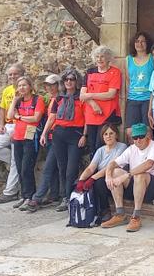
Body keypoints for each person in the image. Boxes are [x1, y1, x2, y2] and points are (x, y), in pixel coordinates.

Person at [102, 122, 154, 231]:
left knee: (139, 174)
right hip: (137, 186)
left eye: (141, 137)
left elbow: (148, 164)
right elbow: (113, 163)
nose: (138, 140)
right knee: (116, 172)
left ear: (147, 136)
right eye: (135, 138)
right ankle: (120, 214)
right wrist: (108, 176)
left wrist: (126, 176)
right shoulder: (132, 148)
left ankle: (136, 216)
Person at [41, 69, 87, 212]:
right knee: (61, 167)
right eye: (66, 79)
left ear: (76, 81)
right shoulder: (59, 98)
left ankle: (69, 196)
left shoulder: (81, 98)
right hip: (59, 133)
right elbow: (52, 117)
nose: (69, 82)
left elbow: (87, 119)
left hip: (75, 134)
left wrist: (84, 135)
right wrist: (44, 133)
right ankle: (64, 197)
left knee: (71, 169)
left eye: (72, 79)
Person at [0, 63, 25, 204]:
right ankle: (19, 163)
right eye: (10, 74)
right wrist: (1, 125)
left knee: (15, 161)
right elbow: (2, 109)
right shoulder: (7, 90)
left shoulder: (25, 90)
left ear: (22, 75)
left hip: (19, 126)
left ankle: (10, 192)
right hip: (8, 125)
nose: (12, 77)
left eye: (15, 74)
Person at [8, 76, 46, 213]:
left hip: (31, 137)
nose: (22, 88)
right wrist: (14, 100)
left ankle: (30, 197)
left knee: (26, 168)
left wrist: (19, 117)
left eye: (24, 85)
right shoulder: (18, 101)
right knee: (19, 168)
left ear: (30, 86)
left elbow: (36, 118)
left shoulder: (37, 100)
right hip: (18, 136)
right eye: (19, 86)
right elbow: (10, 114)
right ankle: (24, 196)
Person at [75, 124, 126, 225]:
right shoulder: (100, 150)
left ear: (116, 135)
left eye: (111, 133)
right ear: (102, 137)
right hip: (101, 177)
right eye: (105, 134)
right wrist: (81, 180)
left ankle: (105, 210)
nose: (108, 136)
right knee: (79, 182)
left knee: (98, 182)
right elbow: (91, 168)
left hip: (116, 179)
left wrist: (93, 178)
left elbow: (111, 167)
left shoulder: (122, 147)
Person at [81, 46, 123, 153]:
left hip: (107, 115)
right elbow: (82, 95)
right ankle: (93, 170)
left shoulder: (115, 72)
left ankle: (104, 169)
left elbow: (111, 94)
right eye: (97, 57)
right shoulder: (90, 72)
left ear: (108, 58)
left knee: (102, 145)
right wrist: (94, 104)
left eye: (102, 56)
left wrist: (90, 96)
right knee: (92, 147)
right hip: (91, 114)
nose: (99, 59)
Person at [32, 74, 64, 209]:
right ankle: (54, 196)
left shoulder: (59, 99)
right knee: (54, 169)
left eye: (53, 84)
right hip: (52, 137)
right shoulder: (50, 99)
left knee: (48, 168)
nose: (50, 87)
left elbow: (52, 118)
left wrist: (43, 134)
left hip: (56, 136)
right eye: (48, 85)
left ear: (58, 85)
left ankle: (37, 197)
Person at [123, 32, 154, 143]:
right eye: (137, 41)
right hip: (133, 99)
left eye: (142, 41)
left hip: (147, 99)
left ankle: (147, 156)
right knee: (130, 132)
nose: (139, 44)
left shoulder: (152, 58)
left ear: (147, 43)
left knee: (147, 131)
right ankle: (134, 157)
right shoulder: (128, 59)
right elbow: (127, 80)